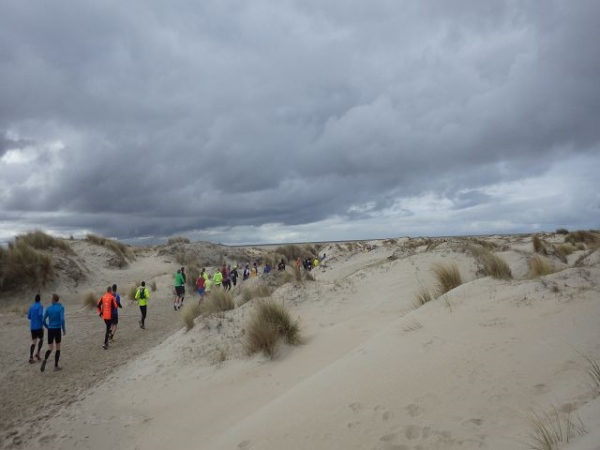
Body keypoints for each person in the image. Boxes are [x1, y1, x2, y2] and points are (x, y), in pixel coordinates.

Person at [41, 294, 66, 372]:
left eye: (51, 299)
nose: (50, 300)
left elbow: (43, 320)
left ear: (53, 300)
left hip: (50, 329)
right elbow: (62, 319)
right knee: (58, 348)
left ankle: (45, 359)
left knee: (50, 348)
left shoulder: (48, 308)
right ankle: (56, 366)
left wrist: (47, 327)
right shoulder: (61, 308)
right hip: (57, 329)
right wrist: (63, 329)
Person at [27, 294, 44, 363]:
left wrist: (33, 317)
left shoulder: (31, 306)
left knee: (34, 341)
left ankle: (31, 357)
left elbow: (28, 317)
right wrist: (42, 323)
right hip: (39, 326)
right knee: (41, 339)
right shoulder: (40, 306)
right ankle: (38, 353)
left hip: (32, 327)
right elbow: (40, 315)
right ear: (40, 299)